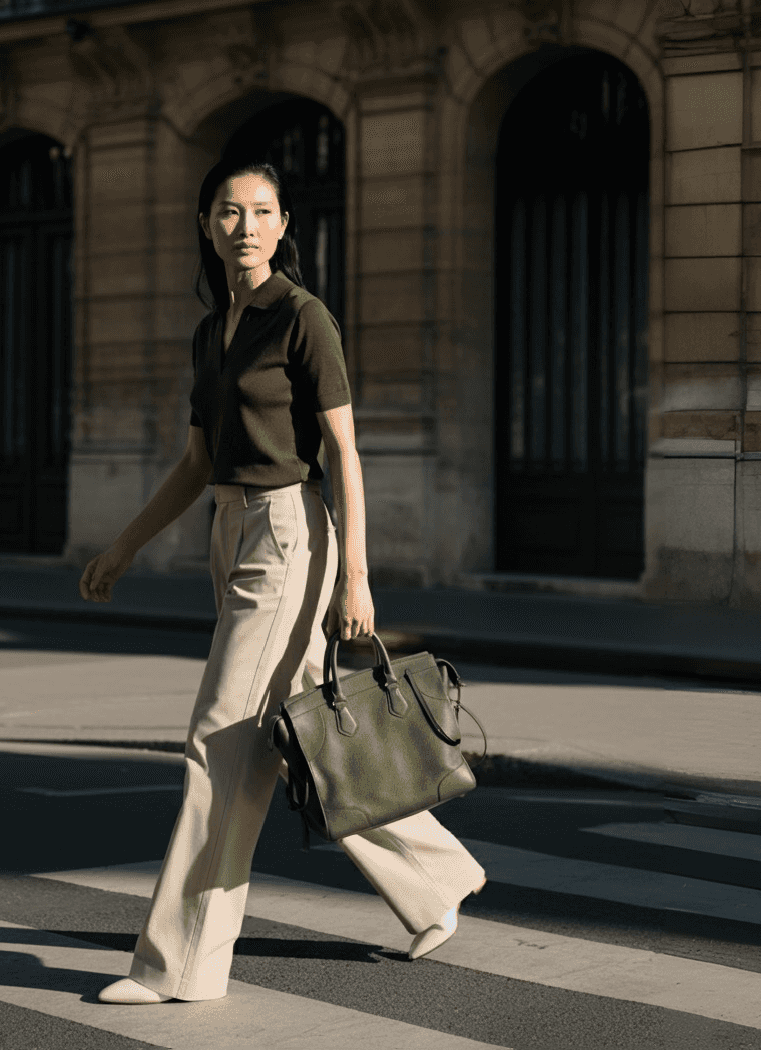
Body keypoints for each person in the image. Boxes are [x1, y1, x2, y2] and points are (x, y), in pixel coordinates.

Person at [76, 160, 486, 1005]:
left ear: (283, 222)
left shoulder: (303, 318)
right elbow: (197, 462)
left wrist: (358, 579)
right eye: (229, 212)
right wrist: (122, 547)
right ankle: (436, 878)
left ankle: (181, 964)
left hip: (291, 533)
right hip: (230, 533)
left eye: (261, 211)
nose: (246, 225)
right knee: (301, 739)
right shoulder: (211, 331)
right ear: (206, 224)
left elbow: (343, 453)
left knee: (219, 740)